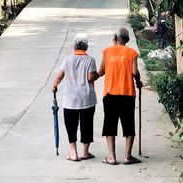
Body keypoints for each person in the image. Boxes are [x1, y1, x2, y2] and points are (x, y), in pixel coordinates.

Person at [97, 28, 143, 165]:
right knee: (129, 125)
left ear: (115, 38)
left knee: (110, 125)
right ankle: (128, 156)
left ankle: (111, 157)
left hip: (110, 94)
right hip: (127, 94)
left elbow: (101, 71)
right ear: (126, 40)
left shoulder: (107, 52)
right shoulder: (132, 53)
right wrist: (138, 81)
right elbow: (135, 72)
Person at [52, 33, 98, 162]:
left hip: (70, 100)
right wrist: (97, 75)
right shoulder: (90, 60)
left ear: (74, 47)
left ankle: (73, 153)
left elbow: (60, 75)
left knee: (71, 125)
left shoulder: (67, 59)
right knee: (87, 125)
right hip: (87, 99)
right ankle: (85, 152)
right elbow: (90, 77)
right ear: (87, 47)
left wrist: (54, 85)